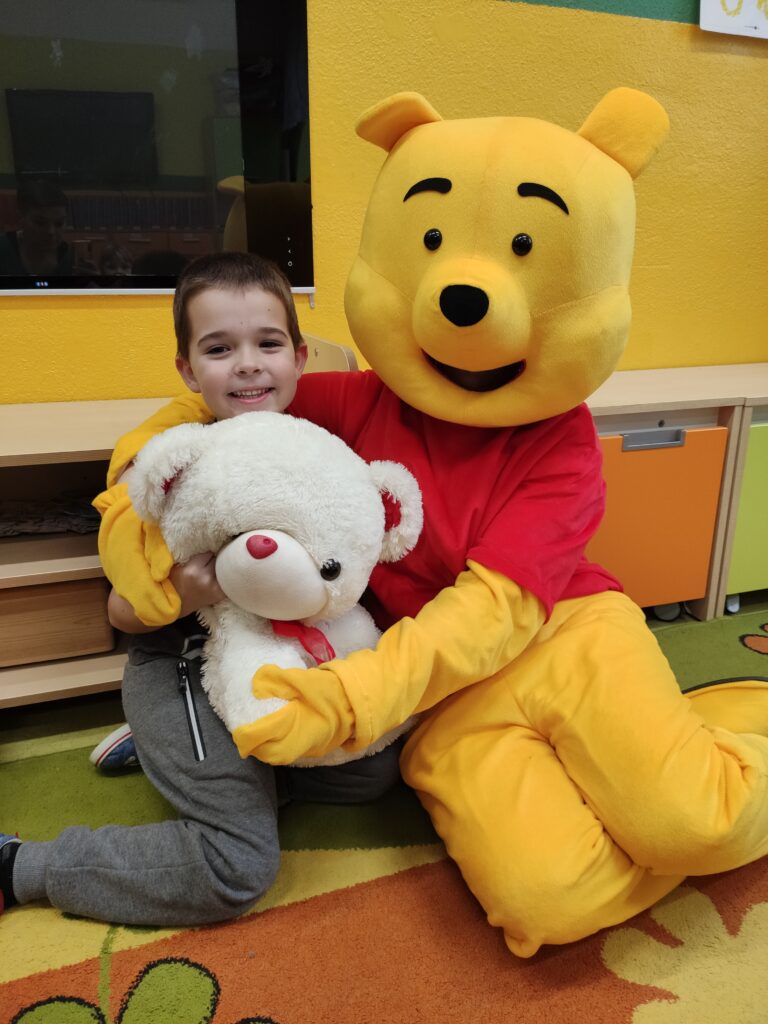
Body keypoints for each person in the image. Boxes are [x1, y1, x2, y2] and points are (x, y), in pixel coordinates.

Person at [0, 252, 404, 924]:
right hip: (183, 664)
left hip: (280, 660)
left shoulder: (314, 446)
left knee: (371, 773)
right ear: (189, 370)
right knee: (235, 866)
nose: (247, 365)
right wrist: (184, 595)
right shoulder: (172, 461)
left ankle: (187, 763)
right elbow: (121, 612)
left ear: (300, 358)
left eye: (268, 344)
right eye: (219, 349)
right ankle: (20, 865)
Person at [0, 178, 74, 276]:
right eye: (40, 223)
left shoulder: (69, 257)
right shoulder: (4, 249)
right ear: (20, 219)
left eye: (59, 223)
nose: (51, 231)